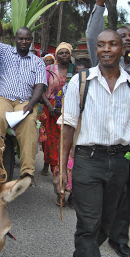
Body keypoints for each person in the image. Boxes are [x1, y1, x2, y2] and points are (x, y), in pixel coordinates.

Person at [58, 29, 130, 257]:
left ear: (122, 49)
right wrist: (61, 168)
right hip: (88, 161)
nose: (107, 49)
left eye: (113, 44)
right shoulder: (80, 82)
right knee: (89, 223)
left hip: (121, 161)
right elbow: (68, 126)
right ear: (96, 49)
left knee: (107, 223)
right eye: (101, 45)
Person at [86, 0, 130, 257]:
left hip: (127, 148)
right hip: (97, 148)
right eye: (119, 38)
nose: (123, 42)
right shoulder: (100, 62)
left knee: (124, 196)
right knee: (98, 199)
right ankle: (92, 240)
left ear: (129, 46)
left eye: (128, 40)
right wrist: (100, 3)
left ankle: (119, 238)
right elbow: (91, 36)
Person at [0, 0, 46, 185]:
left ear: (31, 41)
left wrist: (31, 105)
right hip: (2, 98)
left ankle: (27, 173)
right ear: (15, 39)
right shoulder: (5, 51)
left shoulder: (38, 62)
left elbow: (40, 86)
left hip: (24, 102)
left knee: (29, 122)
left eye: (27, 39)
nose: (24, 41)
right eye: (20, 38)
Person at [40, 42, 75, 177]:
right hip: (50, 108)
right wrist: (50, 106)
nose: (64, 55)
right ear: (56, 55)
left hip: (68, 109)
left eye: (66, 52)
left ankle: (60, 170)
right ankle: (47, 163)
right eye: (61, 53)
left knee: (64, 140)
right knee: (48, 141)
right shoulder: (49, 68)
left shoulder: (74, 70)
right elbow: (41, 88)